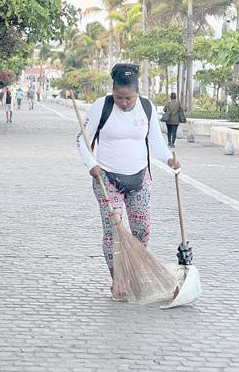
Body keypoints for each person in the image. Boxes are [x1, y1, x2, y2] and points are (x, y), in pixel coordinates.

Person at [76, 63, 180, 300]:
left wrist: (168, 159)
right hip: (106, 179)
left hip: (139, 178)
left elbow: (155, 141)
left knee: (141, 230)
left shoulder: (146, 108)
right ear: (113, 92)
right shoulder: (101, 106)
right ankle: (118, 280)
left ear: (137, 93)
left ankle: (133, 269)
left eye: (129, 98)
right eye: (119, 97)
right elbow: (82, 139)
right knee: (114, 231)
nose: (124, 102)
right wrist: (91, 164)